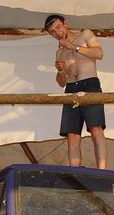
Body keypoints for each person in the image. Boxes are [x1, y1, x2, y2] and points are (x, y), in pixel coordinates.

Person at [44, 14, 107, 169]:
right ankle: (74, 171)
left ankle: (102, 171)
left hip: (90, 83)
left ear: (65, 23)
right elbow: (61, 83)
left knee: (96, 128)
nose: (57, 33)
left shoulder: (85, 34)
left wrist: (74, 47)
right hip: (71, 88)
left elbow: (99, 54)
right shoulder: (59, 53)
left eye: (58, 27)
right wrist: (60, 71)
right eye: (53, 32)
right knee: (72, 135)